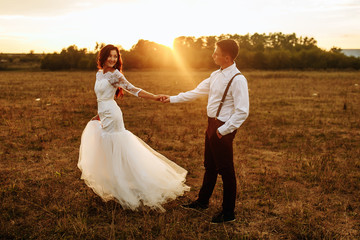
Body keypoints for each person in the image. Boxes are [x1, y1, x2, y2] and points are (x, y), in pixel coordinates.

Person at [78, 44, 190, 212]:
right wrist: (98, 115)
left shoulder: (115, 75)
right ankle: (116, 185)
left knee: (118, 149)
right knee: (109, 150)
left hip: (113, 115)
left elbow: (133, 89)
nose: (113, 59)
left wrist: (154, 97)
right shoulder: (99, 74)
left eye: (115, 57)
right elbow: (101, 98)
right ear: (103, 57)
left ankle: (131, 186)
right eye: (110, 56)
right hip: (104, 113)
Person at [160, 39, 249, 223]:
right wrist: (171, 99)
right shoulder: (216, 75)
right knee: (209, 166)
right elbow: (195, 92)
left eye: (216, 52)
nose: (213, 55)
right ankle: (202, 202)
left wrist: (222, 130)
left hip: (223, 127)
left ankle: (228, 213)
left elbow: (242, 111)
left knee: (226, 171)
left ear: (227, 57)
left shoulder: (238, 79)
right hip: (211, 124)